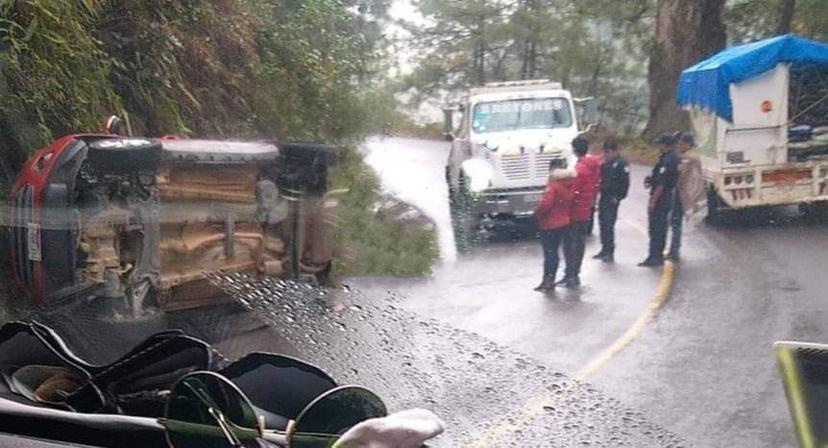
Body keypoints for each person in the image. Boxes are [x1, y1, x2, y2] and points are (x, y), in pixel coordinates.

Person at [558, 136, 601, 287]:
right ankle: (575, 273)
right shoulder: (594, 167)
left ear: (575, 150)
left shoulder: (579, 169)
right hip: (586, 209)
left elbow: (573, 192)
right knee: (580, 243)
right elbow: (595, 187)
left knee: (569, 244)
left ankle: (570, 274)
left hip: (574, 211)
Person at [533, 157, 575, 291]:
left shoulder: (553, 185)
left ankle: (547, 281)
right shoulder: (569, 182)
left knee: (550, 254)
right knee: (556, 252)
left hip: (550, 223)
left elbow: (546, 203)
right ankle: (554, 278)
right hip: (564, 221)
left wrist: (537, 213)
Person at [639, 132, 679, 267]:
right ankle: (657, 255)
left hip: (662, 198)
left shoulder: (667, 161)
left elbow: (662, 183)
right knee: (660, 228)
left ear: (665, 145)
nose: (658, 147)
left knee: (656, 228)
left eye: (660, 144)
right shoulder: (671, 158)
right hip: (666, 197)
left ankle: (654, 256)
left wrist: (653, 201)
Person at [667, 132, 704, 261]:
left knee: (675, 222)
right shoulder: (690, 156)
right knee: (674, 221)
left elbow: (680, 172)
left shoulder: (690, 158)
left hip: (684, 193)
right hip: (682, 192)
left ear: (688, 144)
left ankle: (674, 250)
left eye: (681, 144)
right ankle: (673, 249)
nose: (679, 146)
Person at [592, 138, 630, 262]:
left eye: (608, 152)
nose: (606, 155)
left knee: (609, 224)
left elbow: (625, 183)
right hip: (604, 195)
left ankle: (609, 251)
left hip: (613, 197)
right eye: (605, 152)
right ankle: (604, 248)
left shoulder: (621, 164)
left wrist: (618, 197)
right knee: (602, 223)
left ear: (614, 151)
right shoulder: (606, 164)